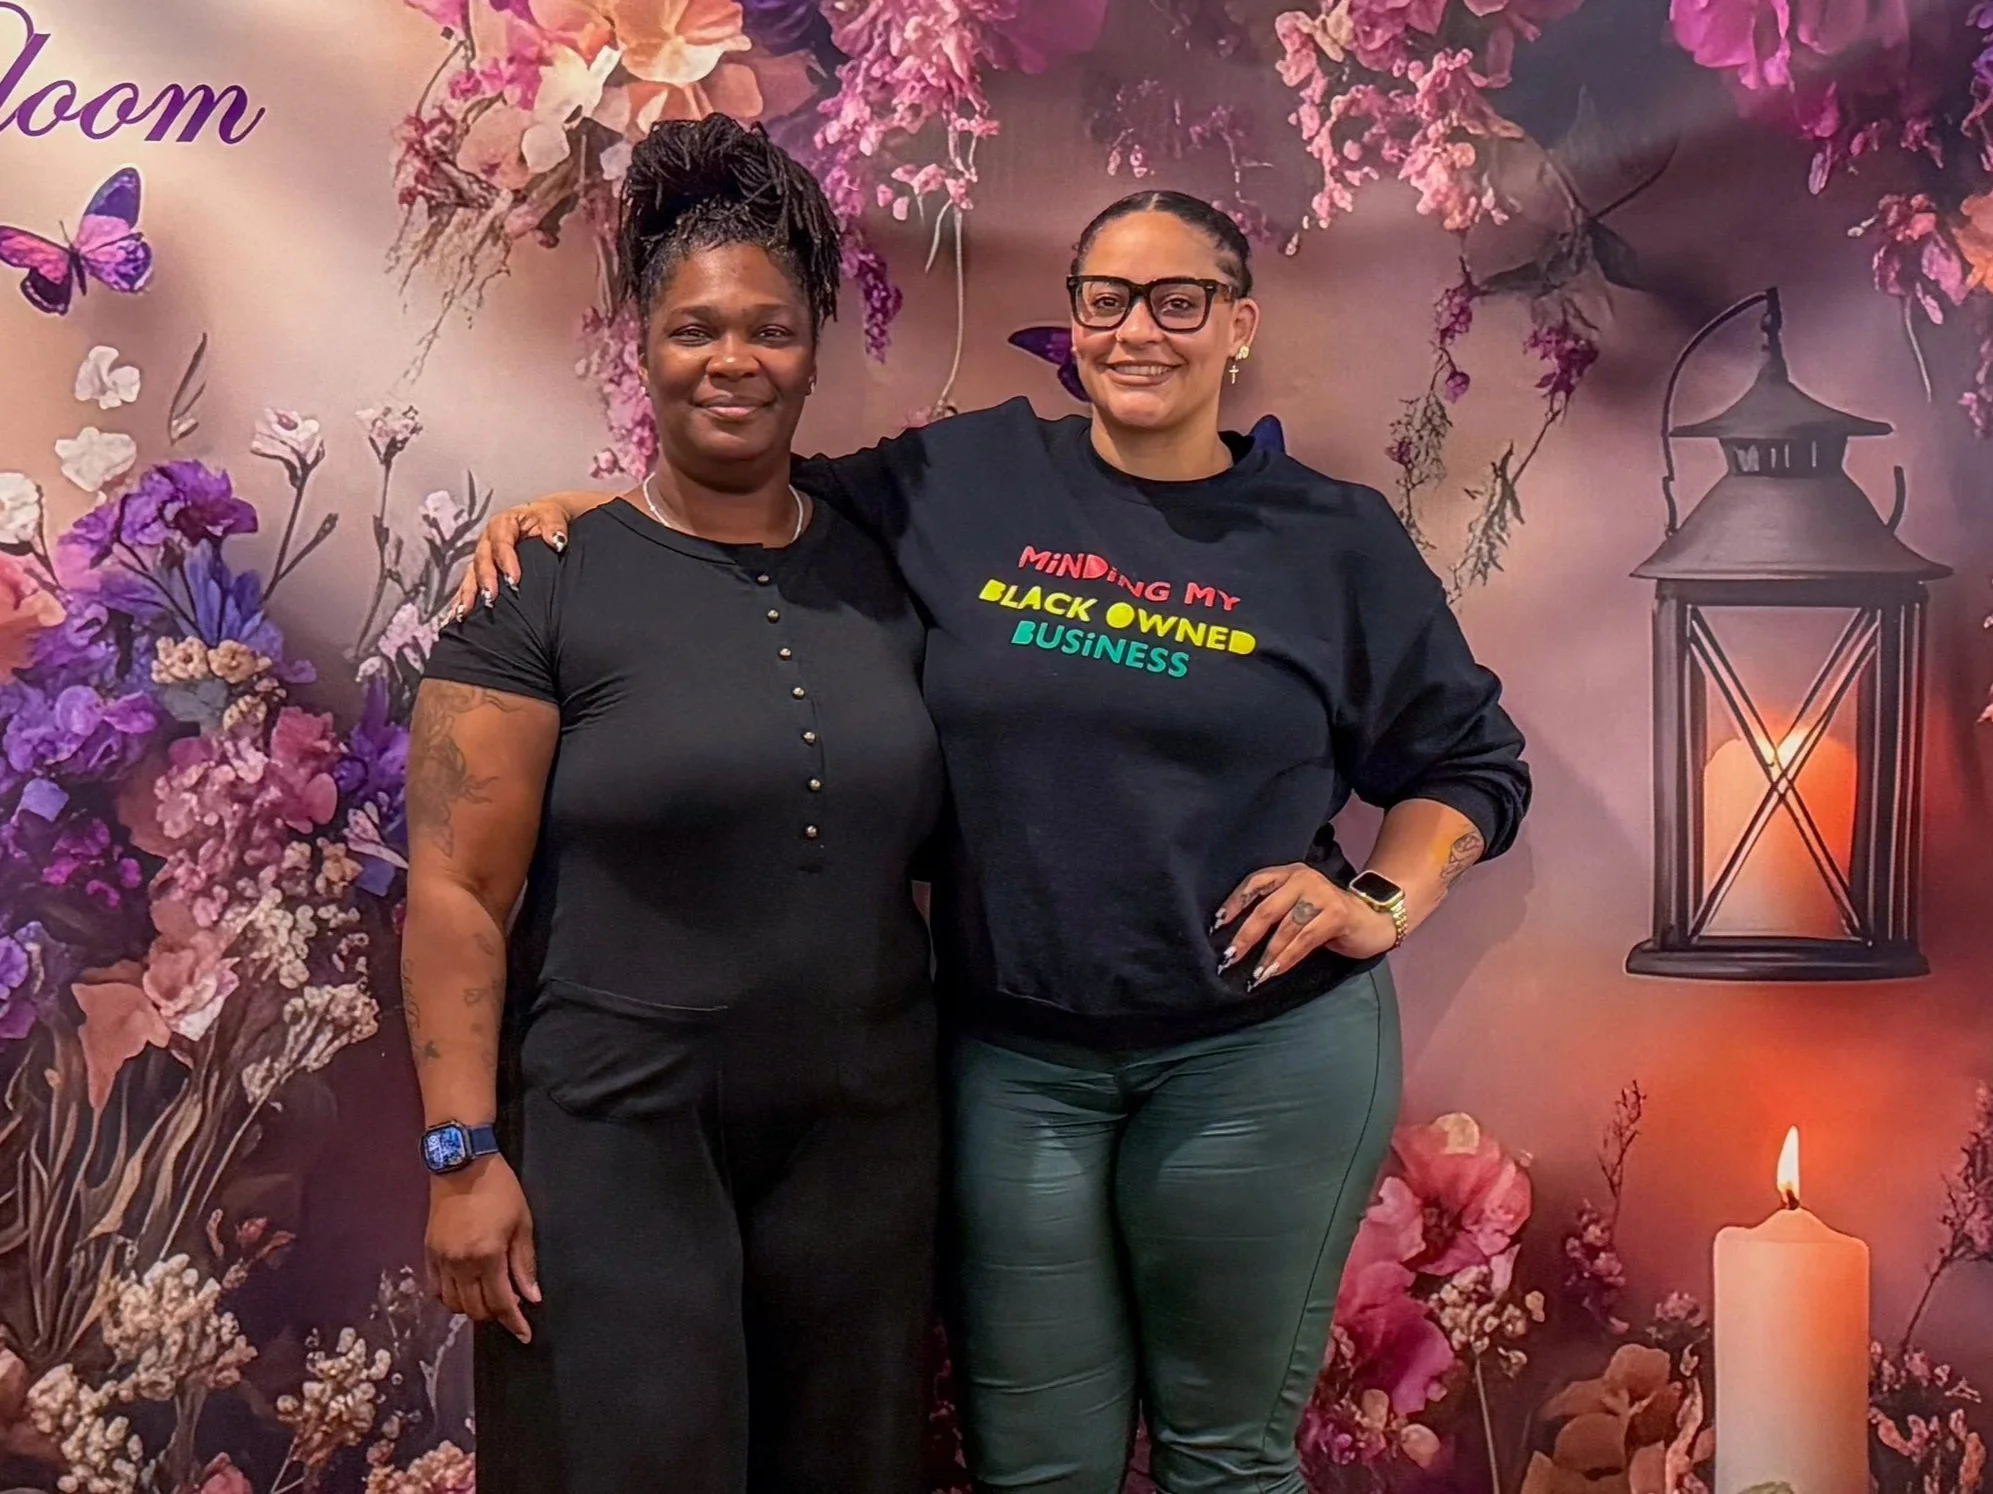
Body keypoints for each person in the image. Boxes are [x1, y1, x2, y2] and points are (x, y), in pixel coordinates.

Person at [458, 188, 1531, 1494]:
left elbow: (1469, 762)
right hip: (1017, 1061)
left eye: (1177, 299)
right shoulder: (961, 478)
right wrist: (588, 518)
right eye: (1106, 300)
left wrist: (1382, 895)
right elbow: (739, 489)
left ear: (1237, 326)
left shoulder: (1332, 537)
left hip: (1258, 1057)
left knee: (1228, 1454)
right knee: (1036, 1467)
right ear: (1071, 325)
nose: (1139, 330)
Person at [402, 115, 944, 1494]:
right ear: (640, 342)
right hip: (613, 1135)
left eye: (768, 329)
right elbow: (456, 890)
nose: (733, 361)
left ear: (816, 342)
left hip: (861, 1142)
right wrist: (463, 1153)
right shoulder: (546, 582)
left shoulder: (892, 563)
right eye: (695, 328)